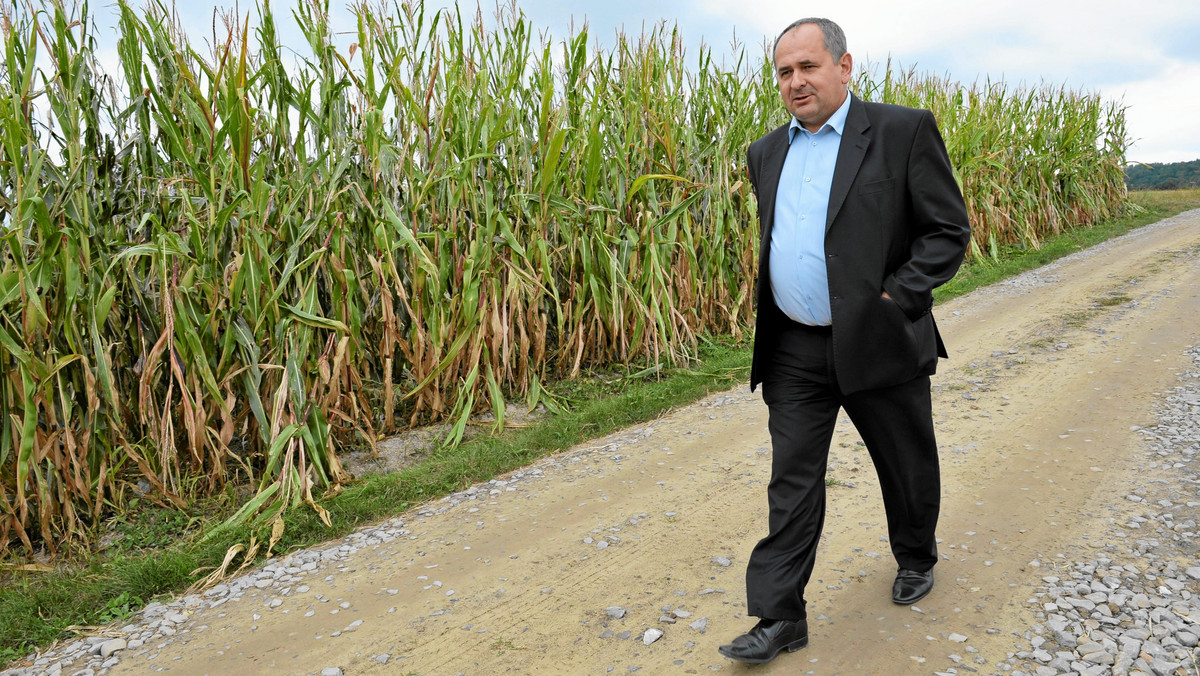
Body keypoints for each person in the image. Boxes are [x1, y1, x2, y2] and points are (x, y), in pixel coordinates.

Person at [717, 17, 971, 664]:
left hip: (878, 338)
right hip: (794, 346)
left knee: (905, 463)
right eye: (784, 72)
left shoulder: (901, 131)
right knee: (792, 481)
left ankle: (916, 554)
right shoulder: (765, 152)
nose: (795, 82)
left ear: (844, 66)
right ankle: (780, 616)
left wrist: (896, 300)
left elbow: (946, 230)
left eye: (807, 67)